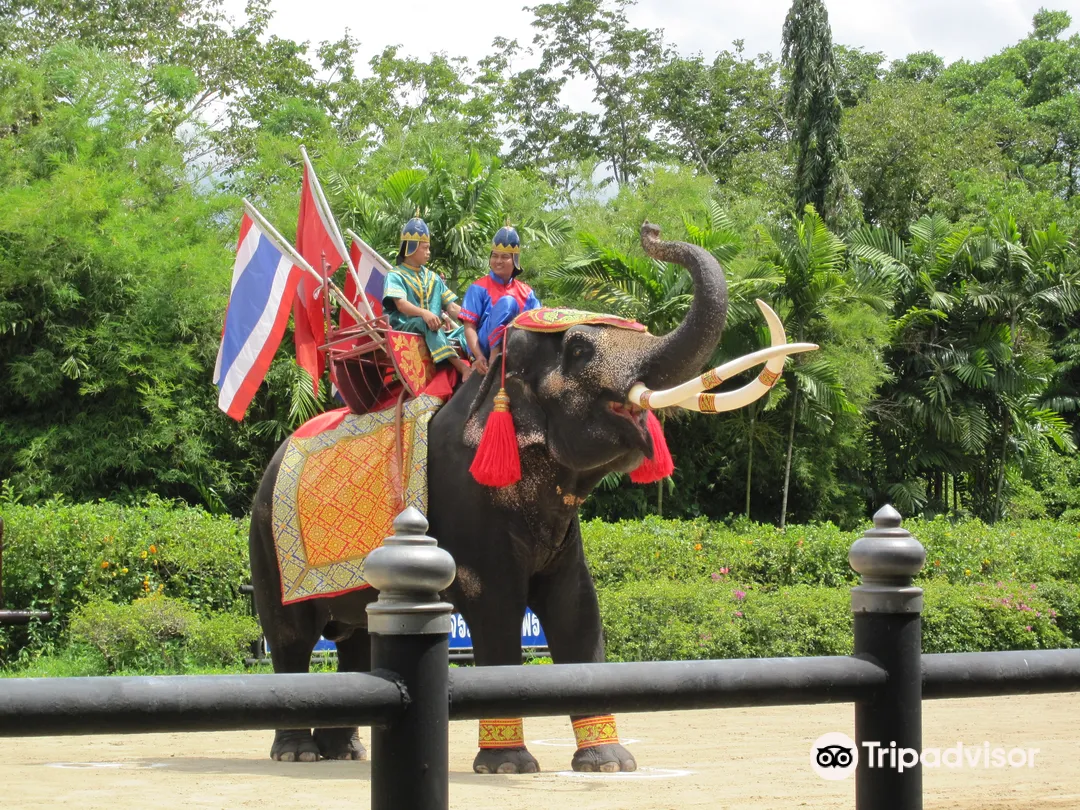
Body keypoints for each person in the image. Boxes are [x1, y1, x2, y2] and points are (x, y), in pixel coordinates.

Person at [382, 214, 471, 379]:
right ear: (412, 247)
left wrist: (473, 320)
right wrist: (424, 313)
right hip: (406, 330)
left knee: (467, 330)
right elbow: (401, 305)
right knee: (426, 322)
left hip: (435, 331)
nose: (429, 252)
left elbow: (451, 307)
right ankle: (461, 368)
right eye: (425, 247)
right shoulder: (395, 275)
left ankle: (476, 359)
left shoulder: (433, 277)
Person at [460, 223, 541, 375]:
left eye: (504, 257)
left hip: (514, 344)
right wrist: (478, 356)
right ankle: (494, 355)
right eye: (495, 256)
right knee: (508, 302)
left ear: (515, 260)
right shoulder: (478, 288)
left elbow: (537, 323)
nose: (498, 261)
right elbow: (469, 327)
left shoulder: (527, 292)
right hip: (483, 345)